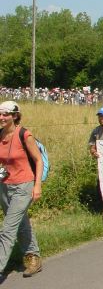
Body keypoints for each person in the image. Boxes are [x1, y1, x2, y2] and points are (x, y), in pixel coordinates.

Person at [0, 101, 43, 280]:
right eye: (0, 114)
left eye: (5, 114)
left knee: (7, 229)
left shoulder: (25, 134)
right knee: (21, 224)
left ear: (15, 116)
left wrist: (37, 186)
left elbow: (38, 160)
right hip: (4, 186)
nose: (1, 117)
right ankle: (34, 257)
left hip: (23, 186)